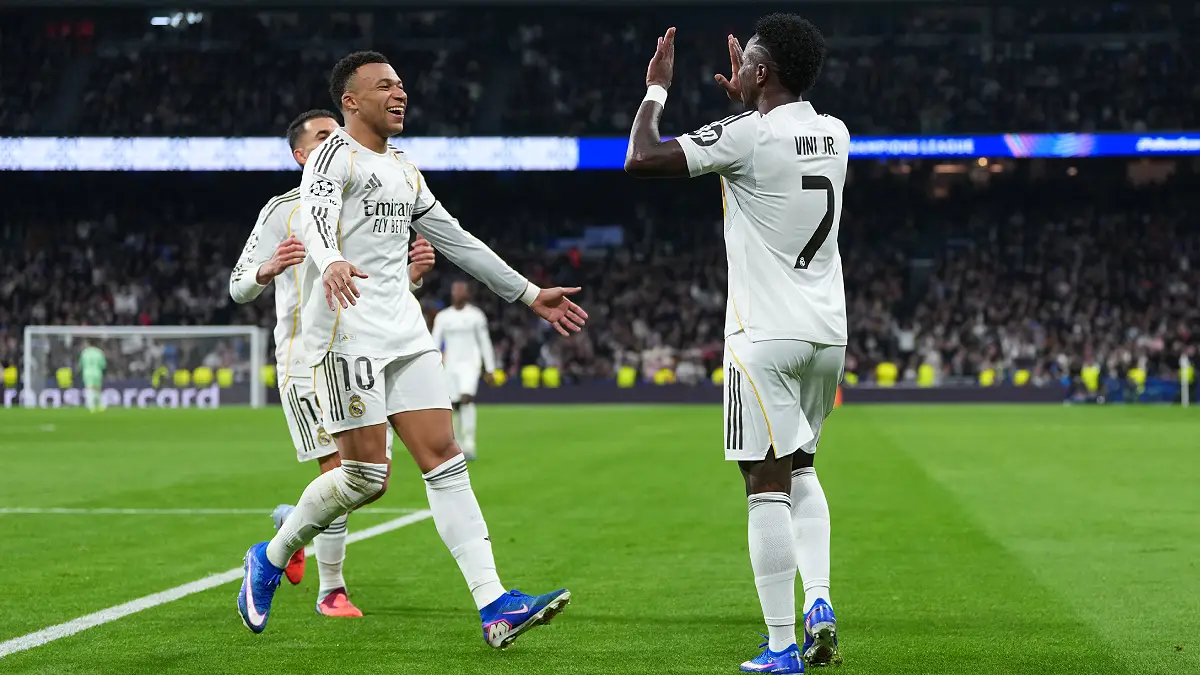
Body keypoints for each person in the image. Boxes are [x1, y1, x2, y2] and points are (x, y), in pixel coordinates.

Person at [237, 51, 587, 649]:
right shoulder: (333, 154)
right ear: (351, 101)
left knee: (445, 459)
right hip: (346, 334)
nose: (400, 94)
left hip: (405, 331)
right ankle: (269, 559)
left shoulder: (405, 169)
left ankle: (494, 604)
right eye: (384, 87)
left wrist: (529, 295)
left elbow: (457, 240)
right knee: (366, 478)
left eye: (401, 85)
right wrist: (331, 261)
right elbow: (317, 219)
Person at [624, 15, 847, 673]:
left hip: (764, 334)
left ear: (760, 73)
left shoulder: (747, 134)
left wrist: (657, 89)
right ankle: (821, 601)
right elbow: (776, 151)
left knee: (764, 483)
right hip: (827, 331)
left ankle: (782, 646)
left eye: (748, 60)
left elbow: (642, 155)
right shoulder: (835, 132)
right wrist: (747, 103)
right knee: (802, 464)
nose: (740, 66)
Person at [229, 108, 437, 617]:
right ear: (302, 155)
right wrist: (267, 267)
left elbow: (370, 292)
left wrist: (408, 276)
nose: (337, 142)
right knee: (341, 469)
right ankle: (331, 590)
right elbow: (237, 286)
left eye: (338, 134)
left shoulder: (370, 204)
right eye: (325, 136)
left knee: (373, 480)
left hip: (364, 354)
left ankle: (291, 523)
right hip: (305, 362)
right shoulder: (283, 210)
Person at [431, 281, 496, 460]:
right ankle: (457, 443)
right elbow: (435, 342)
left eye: (461, 290)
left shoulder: (476, 316)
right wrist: (432, 365)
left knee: (467, 399)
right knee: (455, 404)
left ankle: (469, 442)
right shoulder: (443, 317)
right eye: (455, 290)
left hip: (470, 364)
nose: (458, 293)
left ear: (468, 293)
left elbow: (484, 342)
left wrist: (490, 368)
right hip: (450, 365)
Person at [79, 342, 107, 413]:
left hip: (87, 372)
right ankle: (99, 405)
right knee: (97, 389)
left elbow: (81, 364)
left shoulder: (85, 352)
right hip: (97, 372)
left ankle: (91, 406)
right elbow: (103, 365)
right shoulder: (99, 352)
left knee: (89, 388)